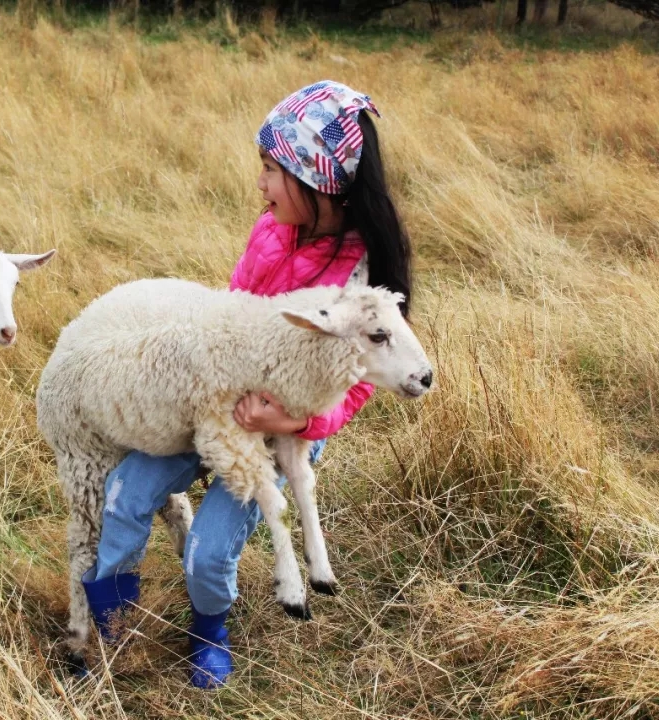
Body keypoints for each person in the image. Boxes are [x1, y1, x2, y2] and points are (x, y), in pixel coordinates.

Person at [80, 80, 413, 688]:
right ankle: (104, 628)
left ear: (317, 178)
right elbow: (231, 310)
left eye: (269, 168)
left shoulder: (358, 275)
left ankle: (209, 627)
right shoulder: (269, 231)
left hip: (281, 426)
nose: (259, 183)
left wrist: (293, 426)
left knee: (209, 550)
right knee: (125, 492)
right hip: (211, 401)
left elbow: (357, 384)